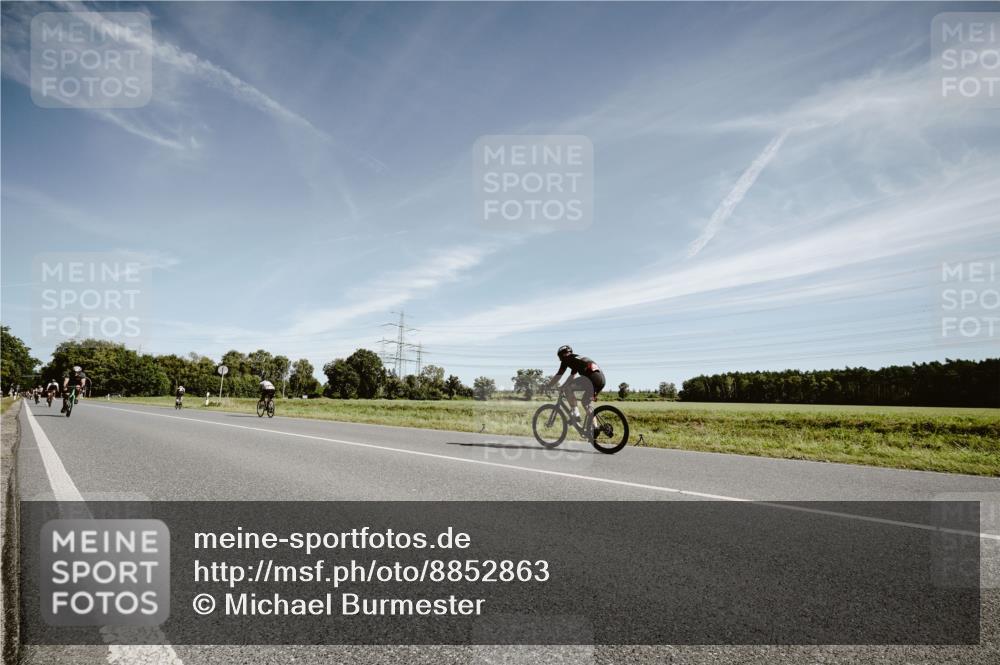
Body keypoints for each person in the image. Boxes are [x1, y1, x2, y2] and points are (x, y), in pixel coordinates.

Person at [544, 345, 605, 425]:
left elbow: (559, 375)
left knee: (567, 388)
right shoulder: (576, 359)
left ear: (561, 355)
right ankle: (595, 429)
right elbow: (572, 377)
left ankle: (576, 414)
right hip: (601, 380)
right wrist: (562, 386)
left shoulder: (566, 359)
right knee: (586, 403)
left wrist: (548, 386)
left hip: (590, 379)